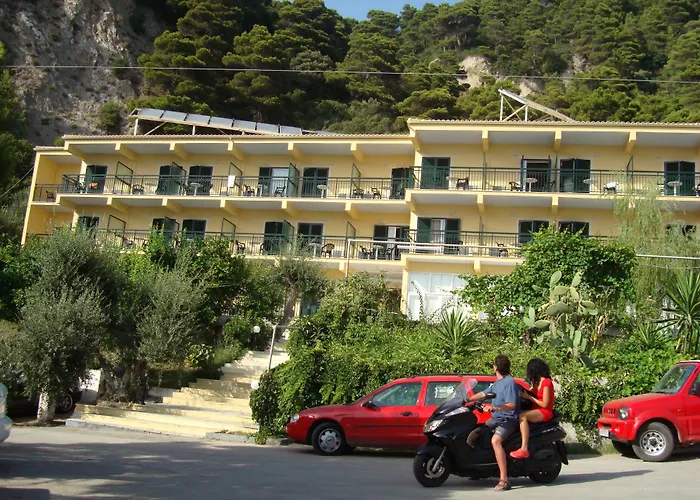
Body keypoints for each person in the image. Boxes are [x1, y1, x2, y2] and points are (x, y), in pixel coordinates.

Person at [466, 354, 520, 492]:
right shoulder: (496, 383)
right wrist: (467, 399)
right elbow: (483, 394)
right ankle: (480, 469)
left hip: (508, 419)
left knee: (496, 441)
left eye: (494, 364)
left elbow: (512, 404)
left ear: (496, 367)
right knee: (475, 435)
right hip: (496, 419)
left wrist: (494, 408)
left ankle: (504, 479)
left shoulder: (509, 383)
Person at [510, 358, 554, 459]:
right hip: (535, 409)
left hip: (544, 411)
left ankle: (524, 448)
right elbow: (529, 392)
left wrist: (529, 397)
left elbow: (545, 404)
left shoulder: (546, 382)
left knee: (523, 416)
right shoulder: (536, 382)